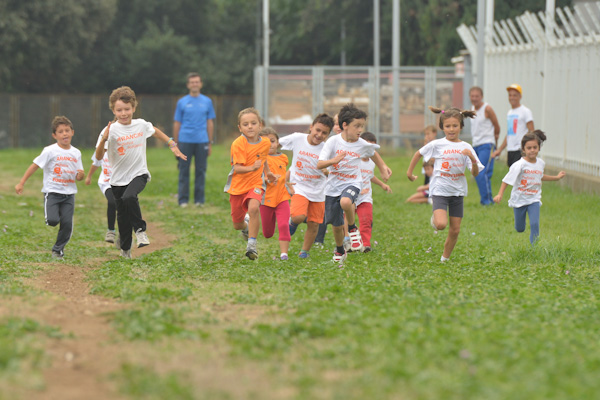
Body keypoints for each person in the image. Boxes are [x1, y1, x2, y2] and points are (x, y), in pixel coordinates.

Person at [95, 86, 187, 259]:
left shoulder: (141, 125)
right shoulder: (110, 131)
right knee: (122, 218)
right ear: (113, 110)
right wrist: (104, 139)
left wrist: (171, 144)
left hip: (139, 174)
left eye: (127, 109)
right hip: (116, 180)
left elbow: (155, 131)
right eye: (119, 110)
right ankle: (125, 250)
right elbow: (99, 156)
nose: (123, 113)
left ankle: (140, 231)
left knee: (130, 197)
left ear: (134, 108)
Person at [406, 106, 484, 262]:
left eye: (455, 125)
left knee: (455, 230)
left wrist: (473, 159)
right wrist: (410, 172)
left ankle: (445, 259)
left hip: (457, 192)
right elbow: (418, 153)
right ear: (442, 128)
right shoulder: (437, 144)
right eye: (448, 126)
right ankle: (435, 219)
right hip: (440, 190)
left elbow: (475, 173)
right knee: (441, 225)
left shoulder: (466, 148)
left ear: (461, 126)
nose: (452, 129)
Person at [317, 103, 390, 263]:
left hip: (353, 183)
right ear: (345, 125)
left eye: (362, 126)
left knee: (345, 201)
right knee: (336, 226)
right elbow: (319, 164)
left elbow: (374, 153)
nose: (360, 130)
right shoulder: (333, 142)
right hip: (332, 188)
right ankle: (339, 250)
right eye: (356, 126)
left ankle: (352, 228)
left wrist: (383, 167)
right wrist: (334, 160)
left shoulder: (361, 143)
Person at [15, 116, 84, 259]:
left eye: (67, 130)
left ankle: (58, 250)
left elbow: (78, 175)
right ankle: (52, 217)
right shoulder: (49, 151)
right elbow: (35, 166)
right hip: (52, 192)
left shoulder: (76, 153)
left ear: (72, 132)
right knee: (52, 221)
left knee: (67, 224)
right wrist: (21, 182)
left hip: (69, 194)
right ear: (55, 135)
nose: (64, 134)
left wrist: (80, 175)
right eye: (60, 131)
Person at [223, 107, 278, 260]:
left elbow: (263, 159)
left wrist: (267, 173)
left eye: (253, 123)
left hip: (256, 184)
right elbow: (237, 168)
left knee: (254, 208)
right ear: (240, 128)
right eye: (245, 124)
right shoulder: (238, 144)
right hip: (237, 187)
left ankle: (252, 245)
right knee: (237, 224)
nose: (250, 127)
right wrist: (252, 167)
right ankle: (246, 228)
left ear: (260, 125)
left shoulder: (265, 143)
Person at [493, 130, 565, 244]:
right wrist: (500, 194)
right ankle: (520, 225)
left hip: (534, 199)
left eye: (535, 147)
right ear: (523, 149)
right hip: (519, 200)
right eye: (529, 148)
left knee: (535, 224)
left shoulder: (540, 163)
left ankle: (534, 248)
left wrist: (556, 178)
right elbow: (506, 180)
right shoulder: (519, 165)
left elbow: (539, 176)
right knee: (520, 228)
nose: (532, 150)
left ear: (539, 148)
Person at [279, 113, 334, 258]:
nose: (319, 135)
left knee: (314, 224)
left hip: (318, 191)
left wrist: (326, 171)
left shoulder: (327, 149)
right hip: (299, 186)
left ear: (328, 135)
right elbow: (276, 144)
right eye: (317, 130)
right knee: (298, 216)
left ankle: (304, 252)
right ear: (311, 127)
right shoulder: (297, 138)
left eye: (324, 133)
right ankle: (292, 223)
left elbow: (332, 171)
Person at [173, 73, 216, 208]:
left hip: (202, 141)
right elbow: (177, 123)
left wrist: (209, 142)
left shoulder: (207, 101)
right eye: (192, 82)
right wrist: (175, 144)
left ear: (201, 84)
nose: (194, 84)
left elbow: (210, 123)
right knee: (184, 170)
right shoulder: (182, 102)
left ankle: (199, 201)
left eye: (197, 82)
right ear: (188, 85)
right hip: (185, 140)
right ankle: (183, 201)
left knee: (201, 171)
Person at [259, 128, 293, 260]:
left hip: (282, 198)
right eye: (265, 143)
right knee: (267, 233)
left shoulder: (284, 158)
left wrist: (288, 184)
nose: (270, 145)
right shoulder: (260, 159)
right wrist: (266, 179)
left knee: (284, 225)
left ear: (278, 142)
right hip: (265, 199)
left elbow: (284, 175)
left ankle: (284, 254)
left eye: (272, 141)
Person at [355, 131, 392, 253]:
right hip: (351, 197)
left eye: (373, 147)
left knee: (366, 220)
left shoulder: (372, 163)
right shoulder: (355, 160)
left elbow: (370, 176)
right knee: (346, 222)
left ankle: (365, 244)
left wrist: (382, 184)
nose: (369, 150)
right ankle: (348, 242)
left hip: (365, 197)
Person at [469, 86, 501, 205]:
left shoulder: (487, 109)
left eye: (477, 96)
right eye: (472, 96)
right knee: (481, 173)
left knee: (480, 172)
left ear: (481, 97)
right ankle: (488, 198)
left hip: (487, 144)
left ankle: (487, 201)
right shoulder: (472, 109)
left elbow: (497, 126)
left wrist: (495, 145)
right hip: (476, 145)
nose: (474, 98)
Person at [492, 84, 534, 167]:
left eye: (515, 95)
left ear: (520, 97)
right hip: (510, 150)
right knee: (513, 176)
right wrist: (500, 150)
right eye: (510, 95)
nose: (512, 98)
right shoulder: (510, 113)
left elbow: (532, 132)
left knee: (519, 176)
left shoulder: (525, 111)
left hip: (520, 150)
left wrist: (528, 148)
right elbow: (509, 133)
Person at [85, 151, 117, 243]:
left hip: (122, 182)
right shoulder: (101, 149)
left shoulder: (122, 146)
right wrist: (89, 176)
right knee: (112, 202)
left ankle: (123, 235)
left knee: (122, 208)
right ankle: (111, 231)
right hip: (107, 183)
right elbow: (96, 163)